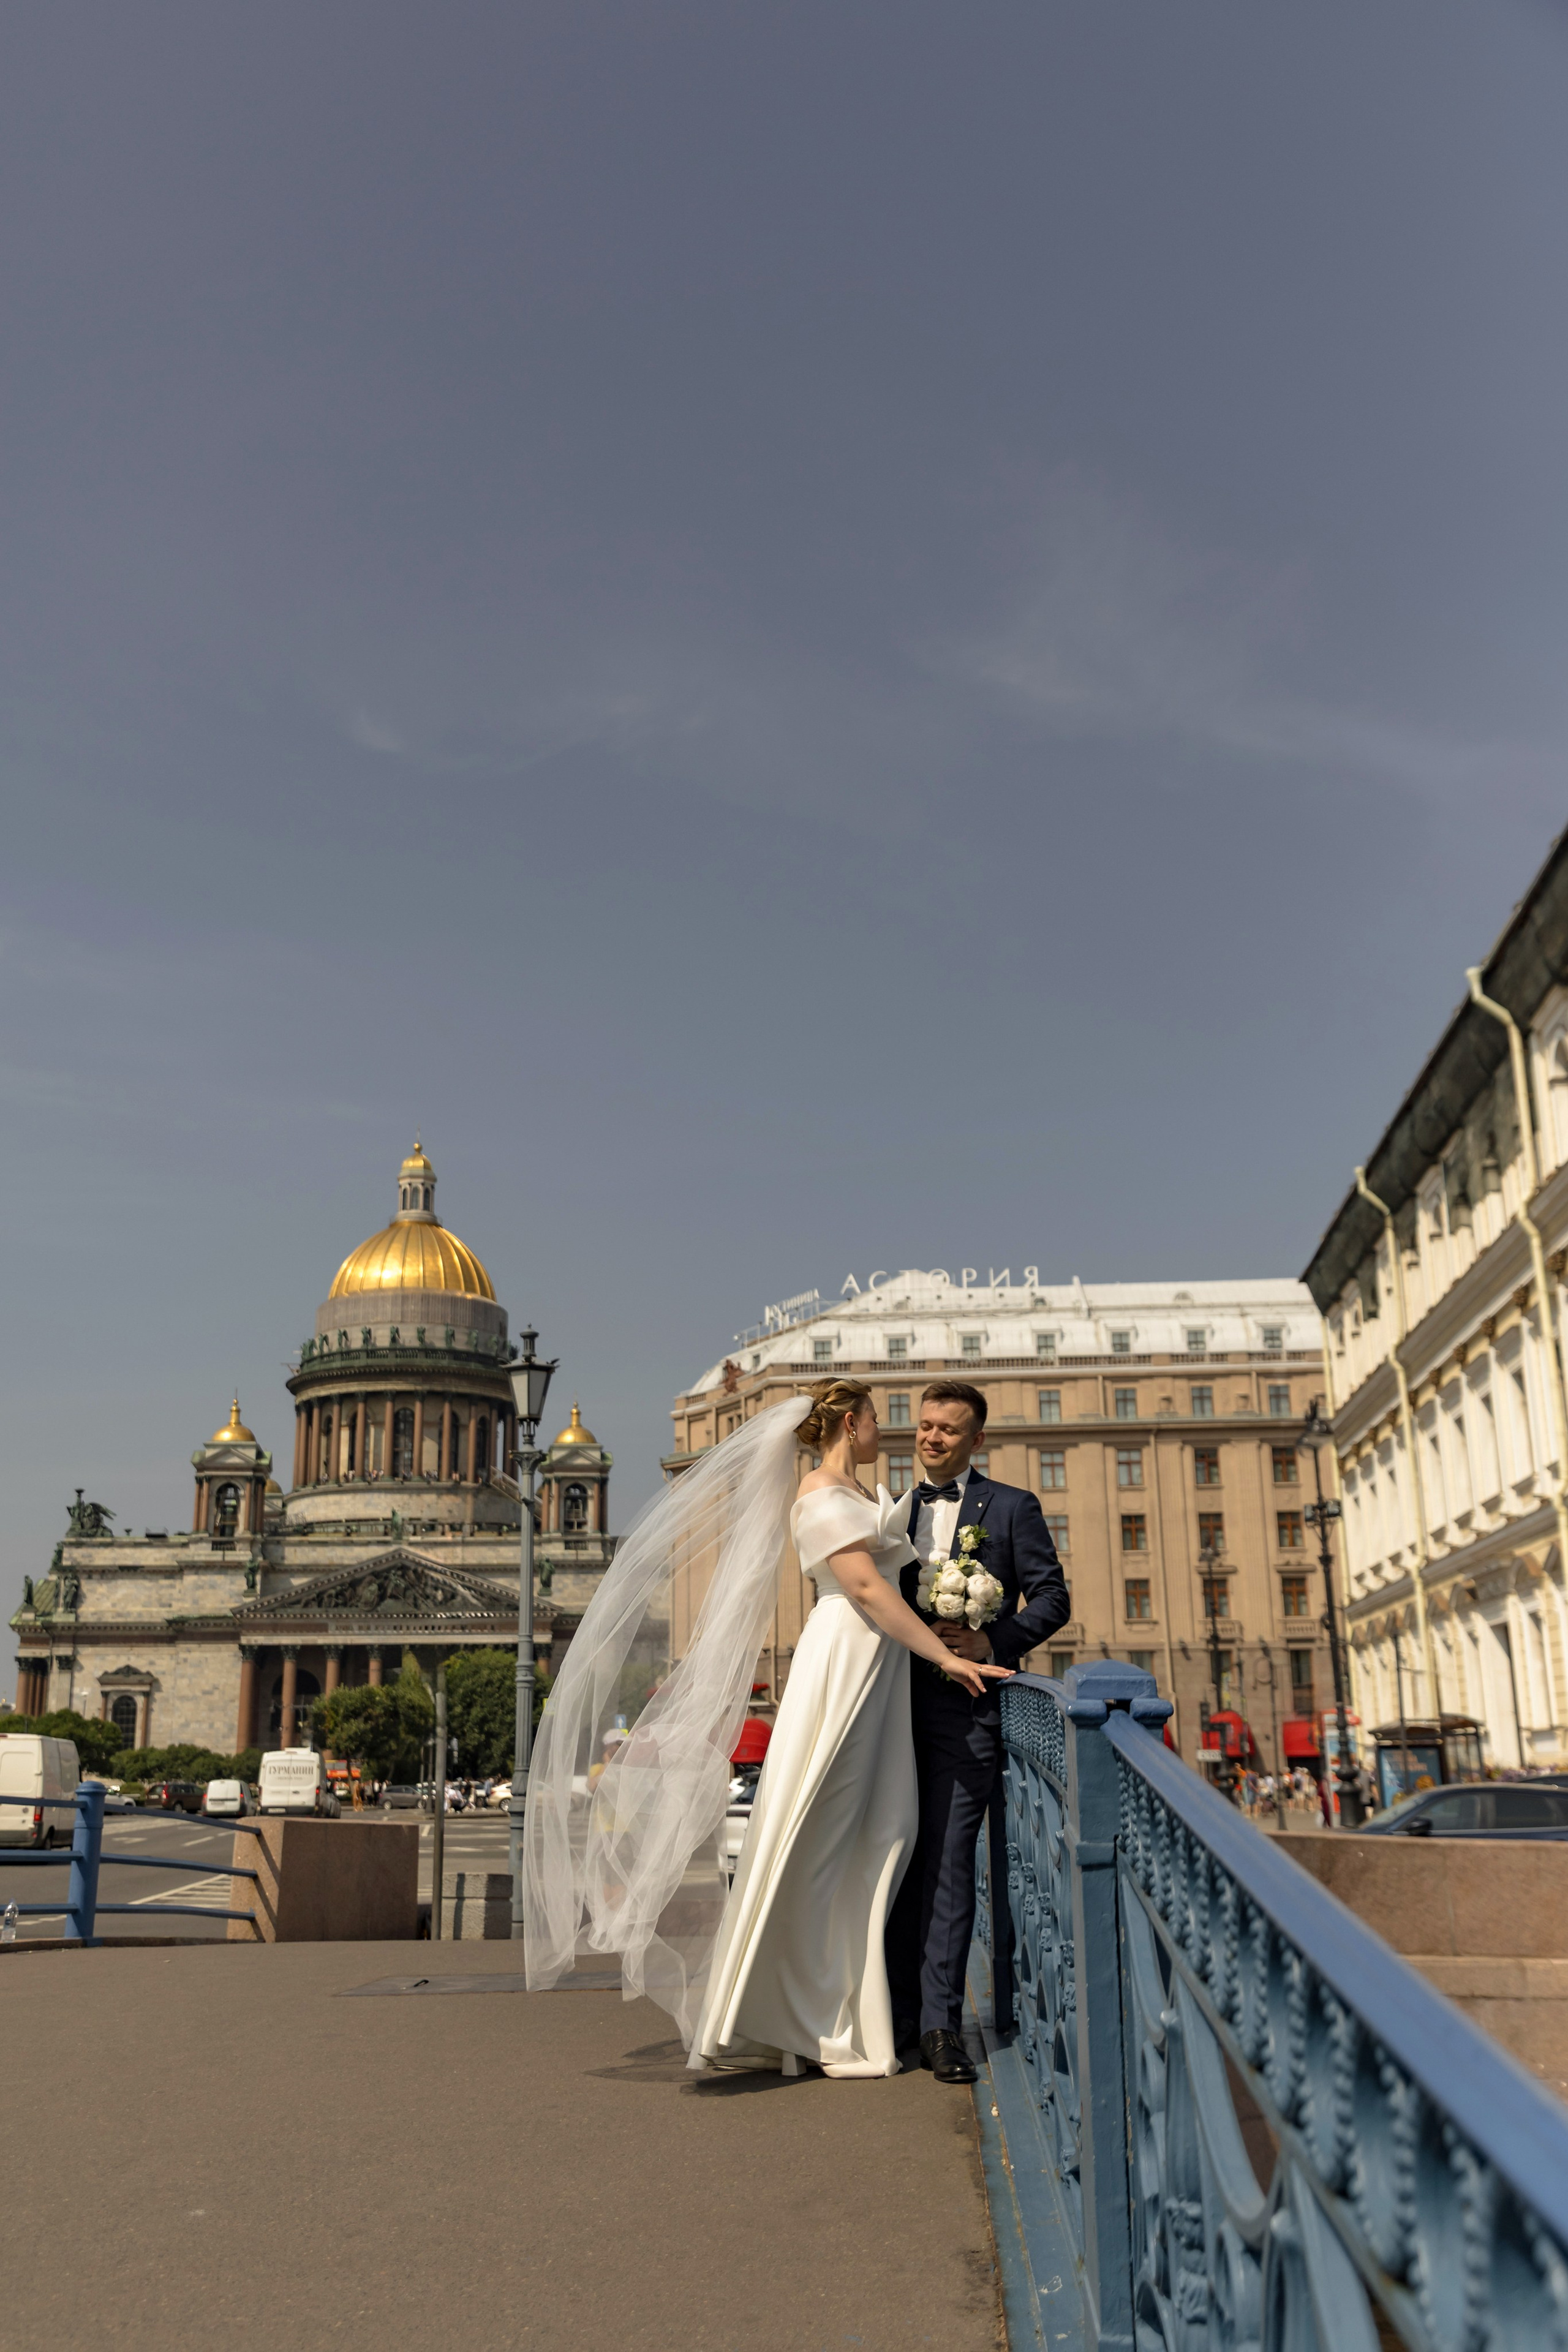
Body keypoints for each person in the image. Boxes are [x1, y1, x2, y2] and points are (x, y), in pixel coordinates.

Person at [522, 1381, 1011, 2077]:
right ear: (851, 1422)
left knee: (882, 1834)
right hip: (844, 1660)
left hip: (877, 1671)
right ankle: (789, 2013)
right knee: (817, 1835)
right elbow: (868, 1590)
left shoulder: (866, 1495)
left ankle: (848, 2005)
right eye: (877, 1418)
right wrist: (941, 1655)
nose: (888, 1430)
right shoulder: (817, 1495)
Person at [884, 1381, 1071, 2082]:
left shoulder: (1012, 1507)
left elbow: (1053, 1597)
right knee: (890, 1861)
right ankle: (887, 2014)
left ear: (976, 1441)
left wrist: (994, 1642)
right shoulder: (889, 1512)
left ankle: (938, 2025)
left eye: (949, 1431)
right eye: (926, 1426)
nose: (933, 1439)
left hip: (965, 1714)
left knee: (950, 1863)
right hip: (885, 1710)